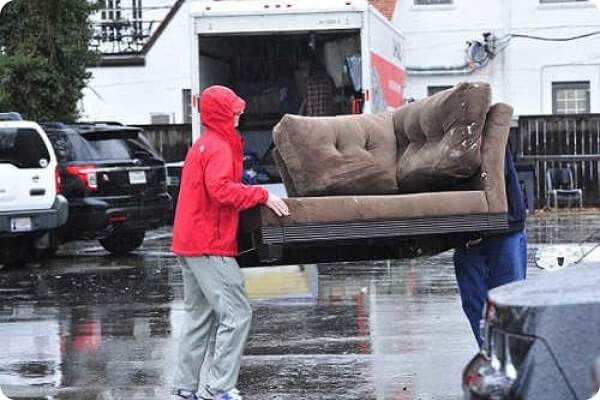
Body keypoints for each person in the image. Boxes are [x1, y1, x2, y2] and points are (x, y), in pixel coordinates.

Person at [170, 85, 289, 400]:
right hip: (209, 243)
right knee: (237, 314)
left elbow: (217, 185)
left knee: (198, 317)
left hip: (189, 242)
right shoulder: (220, 147)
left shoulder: (204, 144)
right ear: (221, 113)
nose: (239, 113)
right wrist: (262, 195)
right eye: (234, 109)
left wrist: (249, 187)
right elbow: (221, 190)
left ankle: (184, 388)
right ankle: (219, 388)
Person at [453, 144, 527, 347]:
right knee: (476, 306)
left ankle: (508, 357)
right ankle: (491, 354)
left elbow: (495, 174)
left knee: (509, 305)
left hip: (504, 227)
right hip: (467, 232)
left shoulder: (490, 129)